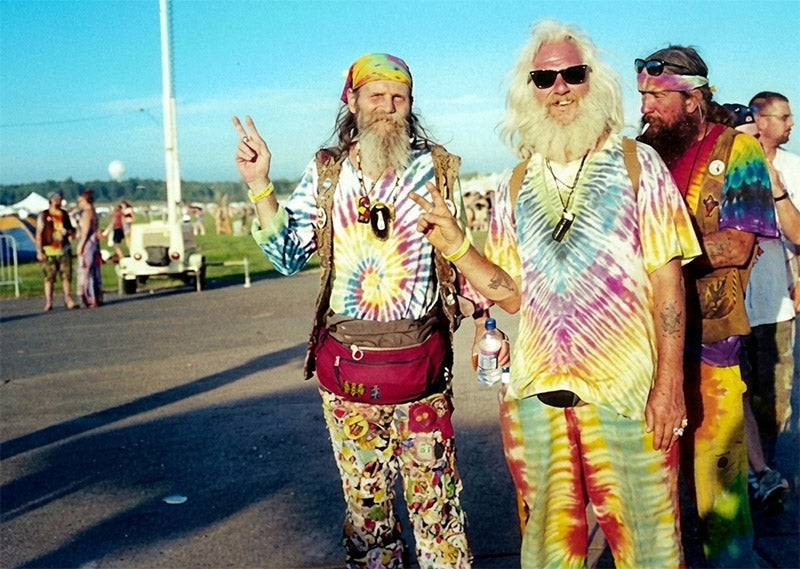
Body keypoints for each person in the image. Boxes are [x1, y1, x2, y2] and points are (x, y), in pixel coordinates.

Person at [412, 20, 700, 568]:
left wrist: (669, 385)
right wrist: (456, 247)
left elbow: (668, 281)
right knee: (547, 553)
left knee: (652, 552)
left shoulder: (639, 164)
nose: (560, 87)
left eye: (572, 73)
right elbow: (511, 294)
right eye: (545, 78)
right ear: (530, 89)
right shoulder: (515, 181)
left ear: (595, 81)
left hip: (628, 398)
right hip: (537, 402)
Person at [232, 52, 486, 569]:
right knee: (369, 520)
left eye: (399, 98)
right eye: (376, 96)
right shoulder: (327, 172)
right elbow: (286, 257)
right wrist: (260, 185)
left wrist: (487, 321)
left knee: (439, 515)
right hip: (349, 381)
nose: (388, 108)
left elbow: (458, 257)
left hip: (423, 376)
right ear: (351, 101)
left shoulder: (435, 168)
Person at [637, 46, 778, 567]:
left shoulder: (737, 153)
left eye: (657, 96)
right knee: (654, 490)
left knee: (719, 486)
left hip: (712, 341)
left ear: (694, 99)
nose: (646, 107)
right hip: (645, 346)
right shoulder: (642, 156)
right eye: (643, 96)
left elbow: (738, 245)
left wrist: (656, 257)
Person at [740, 92, 800, 510]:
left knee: (775, 401)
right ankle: (748, 474)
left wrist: (778, 190)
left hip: (777, 304)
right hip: (733, 307)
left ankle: (766, 470)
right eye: (784, 116)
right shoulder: (729, 166)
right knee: (731, 395)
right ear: (760, 121)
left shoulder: (793, 168)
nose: (792, 123)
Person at [34, 191, 77, 311]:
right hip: (49, 250)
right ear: (51, 200)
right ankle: (48, 301)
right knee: (49, 277)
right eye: (58, 199)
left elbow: (71, 230)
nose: (60, 201)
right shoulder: (43, 215)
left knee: (66, 276)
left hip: (63, 249)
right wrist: (39, 251)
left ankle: (68, 299)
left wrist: (68, 232)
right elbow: (38, 234)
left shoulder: (64, 214)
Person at [76, 188, 103, 307]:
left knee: (86, 270)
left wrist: (80, 245)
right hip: (94, 244)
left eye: (80, 201)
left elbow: (85, 231)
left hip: (88, 244)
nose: (79, 204)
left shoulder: (87, 213)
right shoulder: (94, 212)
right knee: (93, 270)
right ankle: (95, 296)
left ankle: (88, 296)